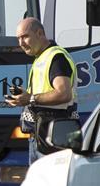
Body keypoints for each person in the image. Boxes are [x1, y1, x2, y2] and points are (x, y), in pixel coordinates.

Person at [7, 18, 78, 164]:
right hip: (42, 136)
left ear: (39, 33)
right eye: (18, 38)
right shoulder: (42, 58)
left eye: (25, 37)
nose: (21, 43)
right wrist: (24, 97)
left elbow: (64, 93)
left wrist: (30, 98)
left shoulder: (56, 58)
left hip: (53, 138)